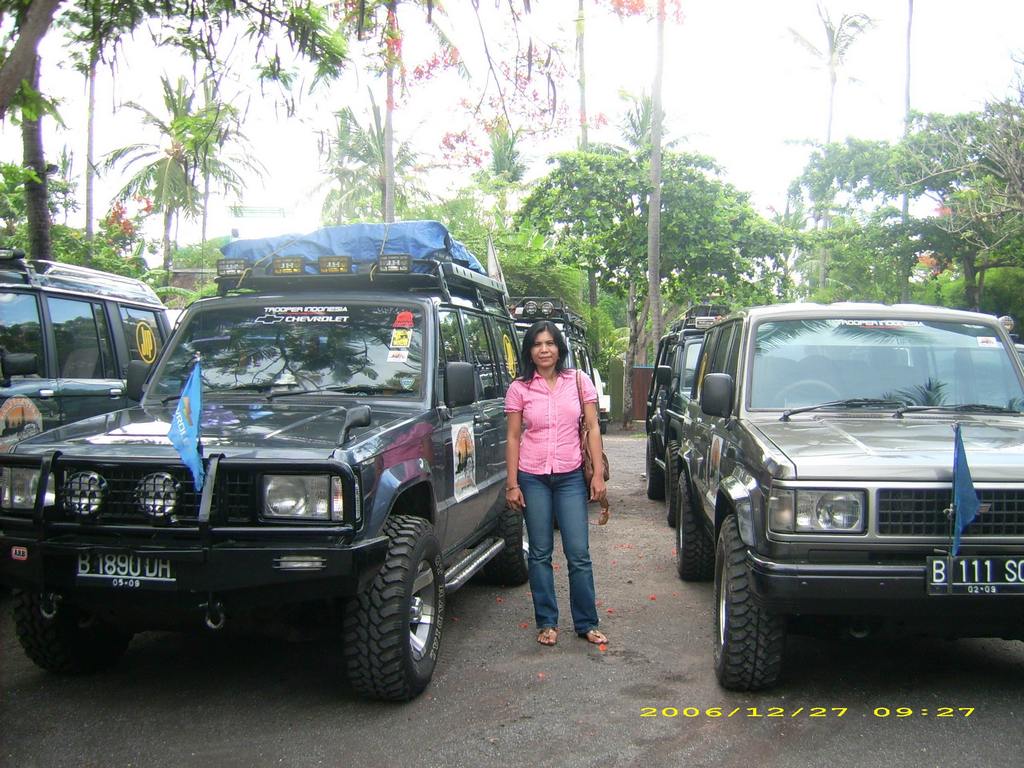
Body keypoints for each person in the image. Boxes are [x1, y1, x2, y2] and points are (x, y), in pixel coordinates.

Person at [504, 320, 608, 647]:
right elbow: (513, 436)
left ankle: (586, 623)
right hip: (532, 477)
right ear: (529, 350)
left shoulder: (578, 381)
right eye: (537, 344)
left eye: (550, 343)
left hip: (571, 477)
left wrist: (599, 476)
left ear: (559, 348)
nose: (544, 349)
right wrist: (512, 483)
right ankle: (547, 622)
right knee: (539, 553)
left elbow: (592, 427)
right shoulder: (519, 388)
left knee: (578, 552)